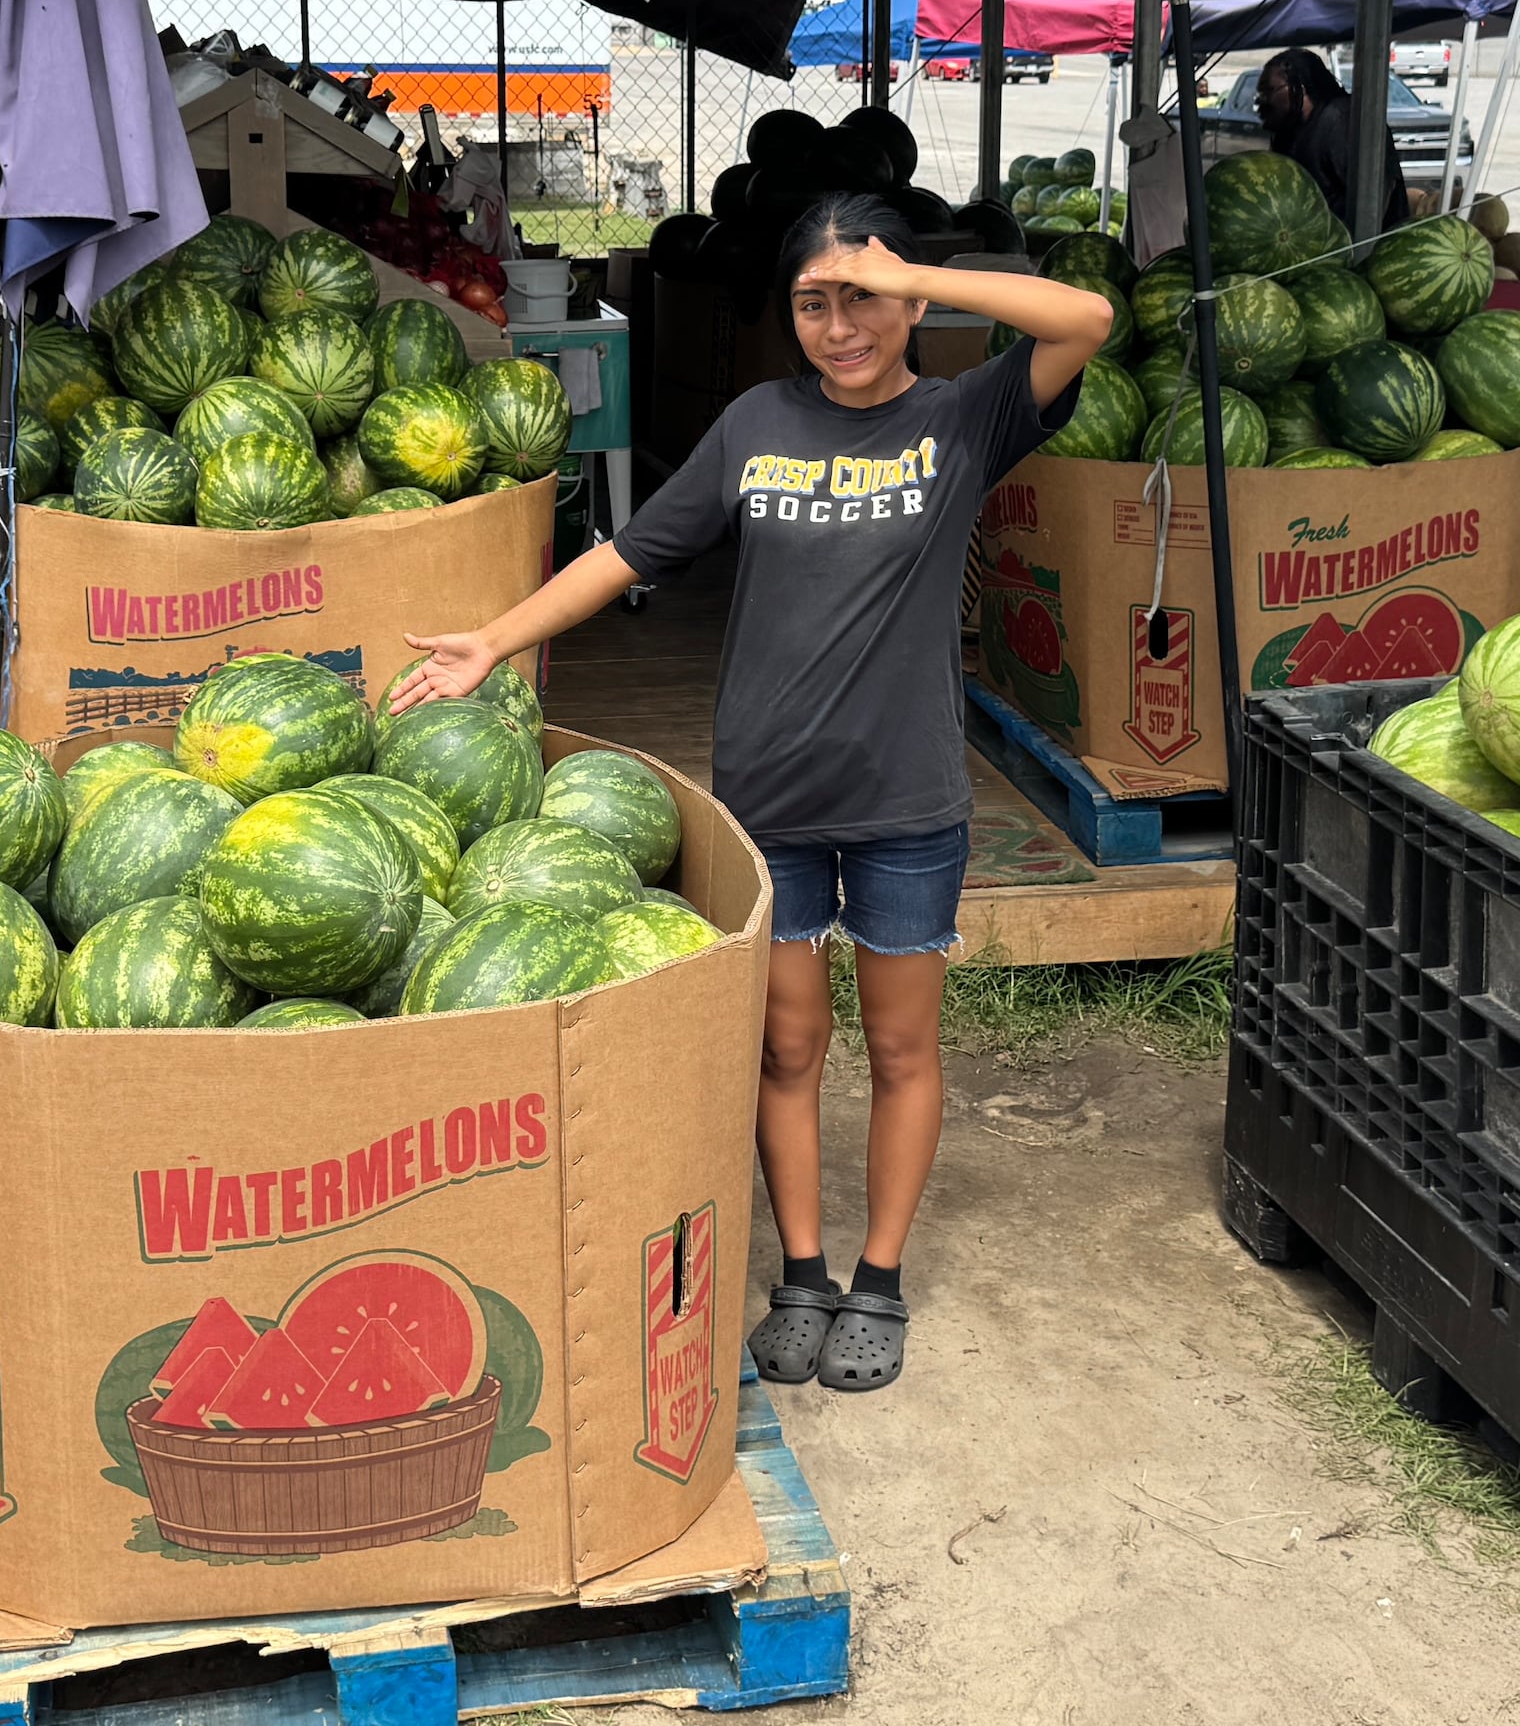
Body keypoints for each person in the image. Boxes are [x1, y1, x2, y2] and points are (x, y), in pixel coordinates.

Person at [387, 193, 1111, 1396]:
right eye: (813, 303)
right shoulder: (755, 425)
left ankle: (880, 1279)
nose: (840, 327)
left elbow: (1082, 316)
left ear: (910, 299)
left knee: (898, 1042)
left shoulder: (964, 420)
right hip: (771, 794)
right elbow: (631, 554)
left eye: (863, 299)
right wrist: (496, 640)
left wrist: (917, 274)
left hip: (908, 798)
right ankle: (807, 1275)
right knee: (784, 1045)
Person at [1267, 48, 1354, 224]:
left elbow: (1371, 192)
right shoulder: (1292, 130)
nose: (1268, 99)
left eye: (1273, 90)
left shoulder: (1338, 119)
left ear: (1298, 87)